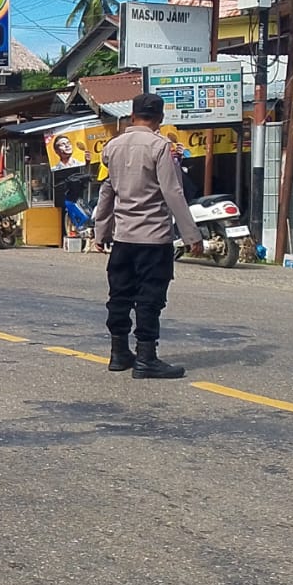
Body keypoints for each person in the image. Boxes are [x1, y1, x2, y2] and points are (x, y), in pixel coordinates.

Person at [91, 93, 202, 380]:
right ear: (160, 118)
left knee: (119, 294)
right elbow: (173, 192)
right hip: (153, 238)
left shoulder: (112, 147)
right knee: (149, 297)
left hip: (123, 238)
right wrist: (192, 235)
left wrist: (100, 231)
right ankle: (146, 357)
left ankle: (118, 353)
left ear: (132, 115)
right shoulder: (160, 146)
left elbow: (107, 191)